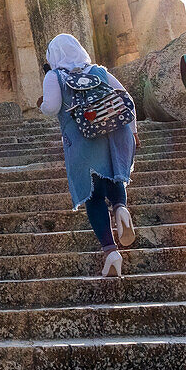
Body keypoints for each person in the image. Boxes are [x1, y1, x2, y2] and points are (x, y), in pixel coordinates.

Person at [38, 33, 138, 277]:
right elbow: (128, 100)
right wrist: (133, 133)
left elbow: (51, 107)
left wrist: (41, 103)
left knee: (93, 197)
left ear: (53, 55)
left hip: (83, 139)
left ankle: (111, 251)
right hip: (115, 134)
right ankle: (121, 208)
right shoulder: (100, 72)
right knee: (113, 177)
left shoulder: (55, 75)